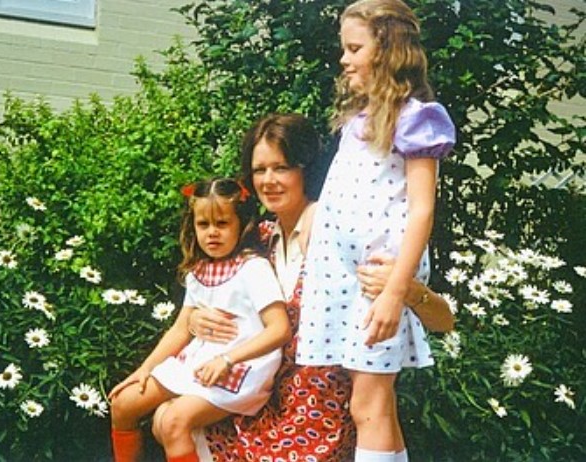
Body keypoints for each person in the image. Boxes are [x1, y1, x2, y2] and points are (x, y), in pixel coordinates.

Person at [184, 113, 453, 461]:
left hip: (319, 413)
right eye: (259, 170)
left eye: (281, 168)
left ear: (305, 170)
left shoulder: (339, 235)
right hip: (258, 399)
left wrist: (406, 290)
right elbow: (206, 296)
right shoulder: (257, 240)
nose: (269, 180)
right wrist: (195, 321)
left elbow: (443, 321)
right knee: (176, 420)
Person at [296, 0, 456, 461]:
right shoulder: (360, 119)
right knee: (368, 403)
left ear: (386, 51)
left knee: (370, 403)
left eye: (354, 48)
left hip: (380, 278)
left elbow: (422, 210)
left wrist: (395, 291)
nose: (344, 59)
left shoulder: (416, 118)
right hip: (344, 277)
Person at [108, 177, 291, 462]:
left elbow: (280, 329)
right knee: (122, 404)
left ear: (242, 224)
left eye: (222, 224)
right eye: (203, 224)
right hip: (202, 361)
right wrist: (145, 369)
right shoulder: (198, 272)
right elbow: (181, 329)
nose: (212, 233)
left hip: (242, 366)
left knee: (173, 422)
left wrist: (227, 359)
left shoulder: (253, 268)